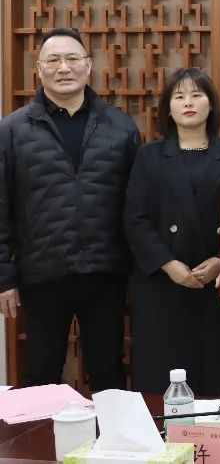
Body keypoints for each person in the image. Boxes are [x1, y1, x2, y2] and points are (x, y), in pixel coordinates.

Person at [0, 27, 141, 389]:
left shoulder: (121, 127)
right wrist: (4, 277)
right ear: (39, 69)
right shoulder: (12, 130)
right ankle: (39, 430)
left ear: (88, 66)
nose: (64, 67)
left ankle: (111, 429)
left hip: (106, 271)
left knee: (108, 371)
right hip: (42, 273)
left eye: (72, 58)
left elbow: (137, 207)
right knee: (41, 372)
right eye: (53, 60)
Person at [124, 68, 220, 395]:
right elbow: (135, 219)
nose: (188, 103)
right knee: (162, 376)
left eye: (196, 95)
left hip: (217, 285)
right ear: (168, 108)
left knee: (217, 376)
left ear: (211, 104)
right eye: (179, 97)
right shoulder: (149, 156)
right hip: (163, 284)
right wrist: (169, 264)